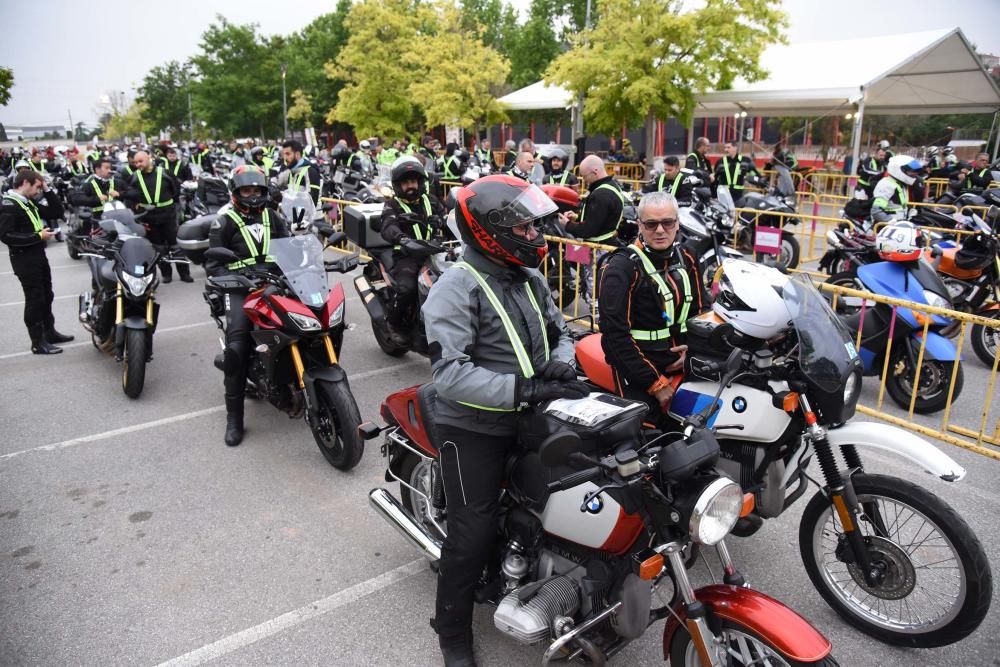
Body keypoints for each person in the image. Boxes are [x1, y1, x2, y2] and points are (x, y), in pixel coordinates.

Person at [422, 174, 589, 667]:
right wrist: (525, 388)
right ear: (492, 231)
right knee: (469, 535)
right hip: (472, 424)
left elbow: (561, 329)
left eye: (538, 228)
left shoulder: (530, 277)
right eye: (528, 229)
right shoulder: (455, 287)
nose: (538, 237)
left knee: (585, 481)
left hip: (533, 407)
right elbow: (450, 375)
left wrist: (562, 362)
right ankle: (451, 632)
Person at [597, 191, 707, 420]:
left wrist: (694, 352)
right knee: (647, 441)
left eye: (667, 222)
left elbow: (702, 311)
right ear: (639, 224)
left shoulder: (687, 256)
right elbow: (614, 337)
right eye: (651, 224)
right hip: (639, 372)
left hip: (686, 364)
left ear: (677, 223)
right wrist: (654, 383)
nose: (659, 230)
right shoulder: (621, 267)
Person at [205, 166, 290, 446]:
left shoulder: (273, 217)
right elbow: (214, 266)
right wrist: (237, 280)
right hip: (240, 287)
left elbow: (290, 247)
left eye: (257, 190)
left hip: (274, 282)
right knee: (238, 347)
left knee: (307, 322)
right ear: (236, 192)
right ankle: (234, 419)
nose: (253, 196)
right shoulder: (224, 221)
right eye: (247, 190)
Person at [0, 170, 75, 354]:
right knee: (35, 299)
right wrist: (37, 236)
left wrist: (48, 189)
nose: (38, 191)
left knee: (47, 295)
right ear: (25, 182)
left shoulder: (27, 201)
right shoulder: (9, 205)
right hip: (24, 258)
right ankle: (37, 342)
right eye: (37, 187)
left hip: (37, 254)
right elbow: (6, 235)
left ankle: (49, 333)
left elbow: (56, 211)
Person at [378, 156, 447, 345]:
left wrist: (443, 221)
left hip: (435, 252)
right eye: (406, 182)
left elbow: (448, 217)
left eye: (414, 181)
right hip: (407, 255)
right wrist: (403, 239)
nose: (411, 185)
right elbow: (388, 226)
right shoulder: (392, 205)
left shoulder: (431, 201)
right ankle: (393, 323)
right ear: (398, 185)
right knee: (407, 288)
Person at [122, 150, 192, 283]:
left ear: (149, 158)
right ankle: (166, 274)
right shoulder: (134, 177)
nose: (138, 165)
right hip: (149, 217)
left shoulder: (165, 173)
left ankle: (184, 273)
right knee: (158, 247)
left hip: (168, 214)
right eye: (136, 162)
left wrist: (171, 205)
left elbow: (176, 189)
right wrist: (135, 207)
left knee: (175, 245)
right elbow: (129, 194)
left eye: (140, 161)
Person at [565, 155, 625, 244]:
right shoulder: (612, 186)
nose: (584, 180)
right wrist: (578, 217)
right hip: (607, 242)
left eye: (585, 176)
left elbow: (588, 231)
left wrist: (567, 224)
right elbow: (601, 220)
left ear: (595, 171)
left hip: (598, 248)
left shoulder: (600, 195)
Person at [871, 155, 922, 221]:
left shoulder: (900, 184)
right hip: (886, 227)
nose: (914, 174)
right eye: (911, 171)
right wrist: (891, 221)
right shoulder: (887, 185)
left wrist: (909, 213)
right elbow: (876, 211)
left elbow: (898, 207)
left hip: (899, 224)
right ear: (898, 169)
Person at [70, 158, 120, 224]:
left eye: (110, 168)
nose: (109, 171)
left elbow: (131, 191)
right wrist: (97, 199)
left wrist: (120, 194)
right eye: (107, 168)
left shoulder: (115, 180)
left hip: (116, 218)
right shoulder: (89, 183)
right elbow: (77, 198)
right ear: (97, 170)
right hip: (97, 219)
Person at [279, 139, 322, 206]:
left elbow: (312, 199)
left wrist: (285, 197)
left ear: (297, 155)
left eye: (288, 154)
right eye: (284, 154)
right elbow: (276, 181)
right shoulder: (291, 170)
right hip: (295, 214)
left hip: (313, 216)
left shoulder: (311, 171)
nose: (285, 158)